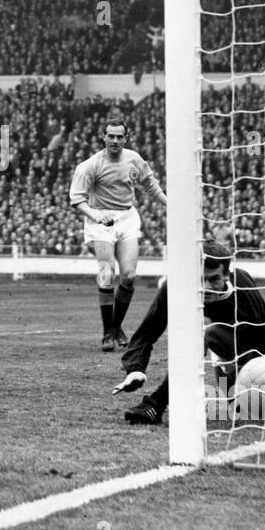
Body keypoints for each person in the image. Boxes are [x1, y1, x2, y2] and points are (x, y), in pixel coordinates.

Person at [118, 240, 265, 424]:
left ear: (227, 275)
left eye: (214, 279)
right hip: (218, 342)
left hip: (255, 339)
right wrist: (135, 369)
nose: (206, 287)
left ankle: (156, 403)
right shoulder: (175, 286)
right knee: (235, 404)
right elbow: (148, 329)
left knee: (256, 405)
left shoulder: (244, 289)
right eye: (201, 279)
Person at [68, 115, 166, 352]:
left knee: (129, 275)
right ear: (104, 137)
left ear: (126, 138)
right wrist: (94, 215)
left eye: (119, 136)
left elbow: (151, 186)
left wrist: (169, 203)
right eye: (110, 136)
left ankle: (116, 327)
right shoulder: (90, 165)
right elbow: (76, 199)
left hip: (127, 217)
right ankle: (107, 333)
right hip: (100, 219)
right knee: (106, 272)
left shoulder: (134, 159)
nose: (114, 140)